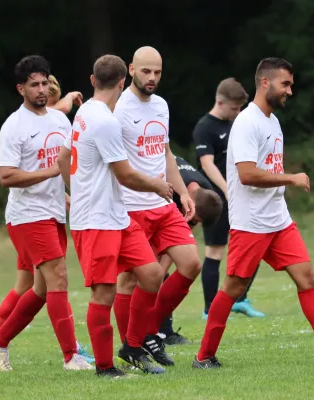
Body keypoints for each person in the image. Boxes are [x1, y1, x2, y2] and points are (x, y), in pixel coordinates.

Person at [193, 57, 314, 369]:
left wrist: (282, 189)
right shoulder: (247, 123)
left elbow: (267, 169)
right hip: (250, 223)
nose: (290, 90)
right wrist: (291, 178)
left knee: (307, 277)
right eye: (285, 84)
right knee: (233, 289)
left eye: (291, 84)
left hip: (278, 220)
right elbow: (248, 174)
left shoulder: (272, 121)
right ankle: (203, 356)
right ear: (265, 83)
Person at [57, 54, 173, 377]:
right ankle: (105, 367)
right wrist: (158, 185)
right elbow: (126, 176)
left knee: (151, 275)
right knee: (104, 293)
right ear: (123, 83)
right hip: (95, 221)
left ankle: (132, 346)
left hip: (117, 217)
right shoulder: (105, 121)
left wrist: (77, 188)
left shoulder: (85, 113)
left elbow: (63, 158)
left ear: (93, 80)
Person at [0, 55, 93, 372]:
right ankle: (72, 356)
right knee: (58, 278)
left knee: (41, 289)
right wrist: (49, 172)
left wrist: (75, 196)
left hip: (54, 212)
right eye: (34, 85)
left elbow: (68, 166)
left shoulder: (59, 121)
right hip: (27, 215)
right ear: (21, 89)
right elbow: (7, 177)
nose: (41, 90)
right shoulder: (14, 126)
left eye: (44, 83)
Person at [112, 46, 202, 367]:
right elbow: (115, 163)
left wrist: (184, 194)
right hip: (130, 207)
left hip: (164, 204)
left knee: (190, 264)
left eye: (158, 72)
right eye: (146, 71)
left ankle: (147, 332)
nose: (152, 78)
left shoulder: (161, 106)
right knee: (129, 282)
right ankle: (133, 348)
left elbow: (164, 153)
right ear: (132, 69)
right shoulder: (119, 109)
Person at [193, 77, 265, 319]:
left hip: (243, 198)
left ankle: (240, 300)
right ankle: (208, 308)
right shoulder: (205, 127)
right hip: (217, 200)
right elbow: (207, 164)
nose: (238, 112)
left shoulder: (238, 124)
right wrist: (226, 189)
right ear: (220, 102)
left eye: (240, 108)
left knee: (253, 246)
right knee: (215, 251)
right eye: (234, 108)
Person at [157, 155, 223, 345]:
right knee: (149, 273)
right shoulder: (172, 188)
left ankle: (164, 332)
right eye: (194, 220)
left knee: (162, 274)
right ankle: (142, 335)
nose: (193, 223)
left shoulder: (206, 194)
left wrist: (163, 268)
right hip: (146, 206)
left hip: (169, 217)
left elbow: (181, 233)